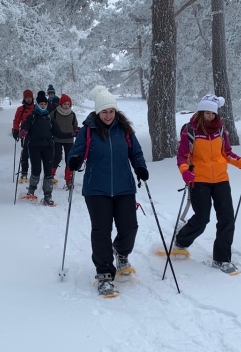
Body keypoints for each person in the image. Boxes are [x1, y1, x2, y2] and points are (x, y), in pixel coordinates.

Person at [67, 86, 148, 298]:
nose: (109, 115)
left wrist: (140, 167)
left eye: (111, 111)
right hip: (96, 189)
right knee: (101, 230)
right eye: (104, 112)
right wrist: (74, 160)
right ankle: (104, 273)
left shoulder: (125, 130)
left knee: (129, 227)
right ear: (97, 112)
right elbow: (75, 154)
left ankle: (121, 253)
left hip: (124, 187)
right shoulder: (88, 131)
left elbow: (136, 153)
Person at [172, 94, 241, 274]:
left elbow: (227, 153)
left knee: (226, 219)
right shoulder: (190, 130)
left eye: (212, 113)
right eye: (206, 112)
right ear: (200, 112)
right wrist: (185, 171)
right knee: (202, 218)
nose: (209, 116)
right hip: (198, 180)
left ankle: (221, 259)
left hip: (221, 179)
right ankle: (181, 241)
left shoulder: (220, 130)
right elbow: (182, 155)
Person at [19, 91, 57, 206]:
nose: (43, 106)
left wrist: (72, 133)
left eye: (45, 104)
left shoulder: (49, 118)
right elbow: (24, 127)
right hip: (34, 148)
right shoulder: (32, 117)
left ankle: (48, 195)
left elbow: (58, 132)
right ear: (37, 104)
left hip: (48, 148)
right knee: (36, 171)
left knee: (48, 173)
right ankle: (31, 190)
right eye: (41, 104)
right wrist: (23, 131)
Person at [51, 94, 79, 190]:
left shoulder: (72, 114)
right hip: (57, 139)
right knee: (57, 157)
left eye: (68, 104)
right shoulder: (54, 113)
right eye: (64, 104)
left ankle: (68, 179)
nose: (66, 106)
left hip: (69, 140)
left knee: (69, 159)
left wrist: (76, 131)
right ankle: (50, 176)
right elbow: (49, 124)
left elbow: (75, 125)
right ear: (61, 104)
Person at [12, 89, 34, 183]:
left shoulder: (36, 108)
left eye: (30, 97)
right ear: (24, 98)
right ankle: (24, 173)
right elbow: (16, 120)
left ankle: (34, 173)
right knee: (24, 154)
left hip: (35, 134)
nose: (28, 99)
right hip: (24, 134)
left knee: (34, 154)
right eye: (27, 98)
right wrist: (15, 130)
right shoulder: (20, 109)